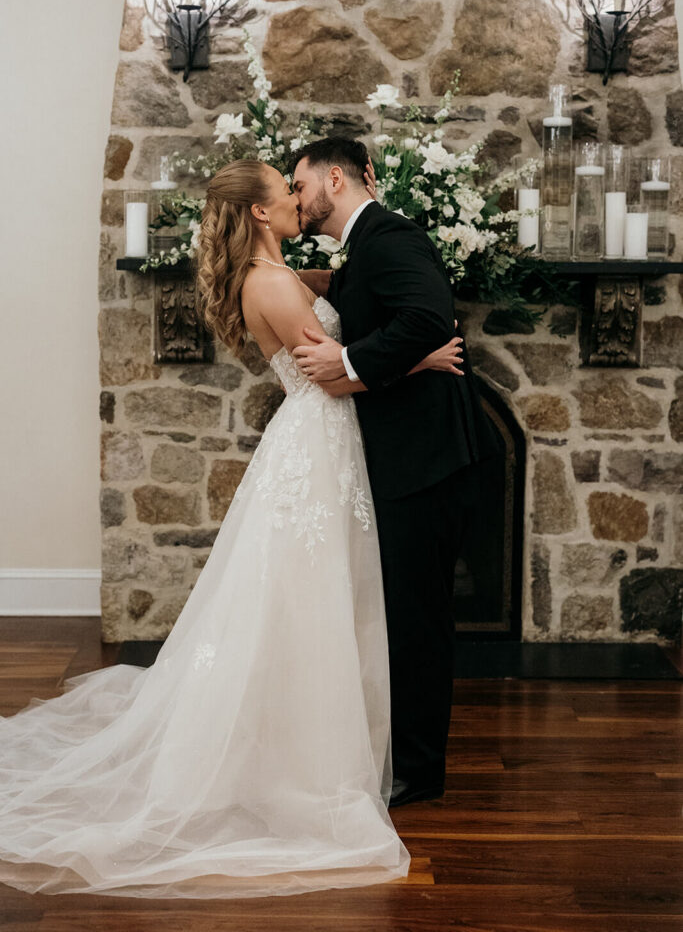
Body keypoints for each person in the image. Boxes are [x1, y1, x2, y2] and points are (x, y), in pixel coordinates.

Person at [0, 158, 463, 900]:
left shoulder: (276, 275)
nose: (296, 201)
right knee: (308, 599)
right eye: (285, 192)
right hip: (321, 437)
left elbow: (324, 306)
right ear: (257, 212)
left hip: (318, 443)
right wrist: (424, 358)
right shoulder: (272, 283)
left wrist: (331, 291)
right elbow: (330, 370)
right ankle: (304, 758)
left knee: (298, 598)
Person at [290, 138, 500, 808]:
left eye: (299, 186)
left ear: (333, 178)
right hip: (409, 457)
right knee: (404, 614)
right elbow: (390, 314)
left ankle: (418, 770)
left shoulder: (388, 237)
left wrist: (347, 365)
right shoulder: (366, 246)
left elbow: (426, 318)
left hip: (425, 461)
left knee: (417, 618)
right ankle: (403, 754)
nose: (296, 200)